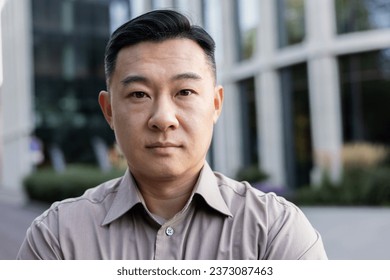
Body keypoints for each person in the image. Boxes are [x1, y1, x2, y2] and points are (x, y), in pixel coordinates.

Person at [17, 10, 327, 260]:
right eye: (139, 94)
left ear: (216, 104)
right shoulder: (58, 238)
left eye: (185, 92)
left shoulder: (275, 231)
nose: (163, 118)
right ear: (109, 110)